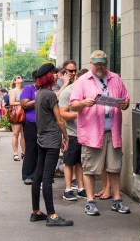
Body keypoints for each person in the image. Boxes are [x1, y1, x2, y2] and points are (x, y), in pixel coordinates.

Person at [70, 50, 131, 216]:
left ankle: (117, 200)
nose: (100, 66)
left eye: (103, 63)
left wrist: (124, 104)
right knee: (90, 168)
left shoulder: (115, 78)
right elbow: (73, 105)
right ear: (91, 63)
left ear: (107, 63)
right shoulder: (83, 80)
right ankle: (90, 201)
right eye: (97, 63)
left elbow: (125, 98)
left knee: (114, 167)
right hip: (92, 133)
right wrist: (83, 103)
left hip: (113, 131)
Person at [30, 62, 73, 227]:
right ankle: (52, 215)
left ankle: (36, 212)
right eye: (54, 74)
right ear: (48, 76)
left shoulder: (39, 93)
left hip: (41, 138)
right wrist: (66, 137)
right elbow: (60, 121)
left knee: (38, 175)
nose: (56, 76)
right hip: (52, 139)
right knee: (47, 178)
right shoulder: (50, 95)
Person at [59, 64, 86, 201]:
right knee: (69, 162)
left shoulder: (86, 92)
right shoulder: (67, 92)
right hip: (71, 133)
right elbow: (62, 114)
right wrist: (78, 114)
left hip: (85, 134)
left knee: (80, 163)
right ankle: (68, 189)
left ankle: (81, 188)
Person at [21, 70, 39, 185]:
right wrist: (38, 98)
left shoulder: (48, 89)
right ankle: (28, 175)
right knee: (31, 149)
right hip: (31, 123)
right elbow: (24, 104)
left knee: (41, 150)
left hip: (44, 123)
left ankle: (38, 174)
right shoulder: (29, 88)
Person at [9, 75, 25, 162]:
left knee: (24, 134)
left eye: (20, 77)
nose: (20, 79)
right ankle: (15, 153)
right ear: (14, 81)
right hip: (17, 113)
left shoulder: (24, 89)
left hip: (25, 113)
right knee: (16, 133)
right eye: (18, 78)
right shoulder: (13, 91)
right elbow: (11, 102)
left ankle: (24, 152)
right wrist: (22, 103)